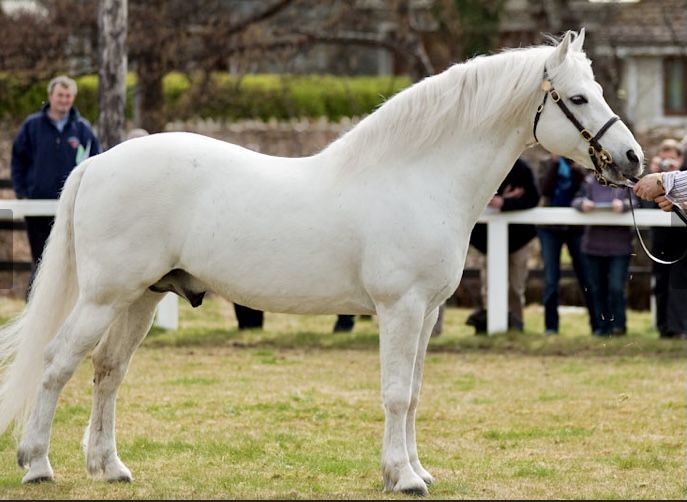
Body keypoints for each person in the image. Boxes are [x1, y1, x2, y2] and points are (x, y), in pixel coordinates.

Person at [11, 75, 101, 297]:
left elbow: (96, 162)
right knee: (41, 259)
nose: (64, 100)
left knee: (69, 260)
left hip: (72, 207)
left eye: (68, 96)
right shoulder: (32, 127)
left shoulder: (83, 130)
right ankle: (34, 304)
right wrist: (23, 191)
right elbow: (18, 160)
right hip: (37, 206)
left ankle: (65, 306)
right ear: (51, 96)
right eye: (60, 95)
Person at [467, 157, 540, 333]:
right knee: (489, 284)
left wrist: (505, 202)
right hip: (487, 239)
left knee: (516, 285)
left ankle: (516, 324)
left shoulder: (522, 169)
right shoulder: (483, 167)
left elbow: (532, 198)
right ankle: (487, 323)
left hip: (519, 238)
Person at [537, 154, 598, 335]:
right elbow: (544, 190)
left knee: (586, 277)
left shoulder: (581, 162)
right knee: (550, 279)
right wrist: (555, 166)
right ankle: (551, 327)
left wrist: (575, 168)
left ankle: (597, 325)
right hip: (549, 228)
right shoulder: (545, 163)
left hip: (576, 228)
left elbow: (585, 190)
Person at [633, 138, 687, 339]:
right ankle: (663, 326)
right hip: (661, 237)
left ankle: (678, 327)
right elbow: (645, 205)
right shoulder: (654, 177)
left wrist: (667, 178)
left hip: (682, 238)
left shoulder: (679, 175)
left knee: (679, 283)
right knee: (661, 282)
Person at [572, 175, 636, 336]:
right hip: (593, 246)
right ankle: (601, 326)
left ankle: (618, 326)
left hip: (620, 246)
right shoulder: (589, 182)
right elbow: (576, 200)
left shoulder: (625, 184)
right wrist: (582, 204)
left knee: (616, 288)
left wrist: (623, 205)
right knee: (597, 288)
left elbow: (636, 202)